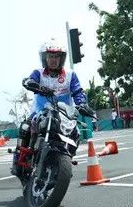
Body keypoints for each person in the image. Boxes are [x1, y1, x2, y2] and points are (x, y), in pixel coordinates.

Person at [12, 39, 89, 175]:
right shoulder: (39, 73)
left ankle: (65, 160)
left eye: (57, 56)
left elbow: (77, 91)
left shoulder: (70, 75)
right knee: (25, 127)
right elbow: (29, 80)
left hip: (64, 115)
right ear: (45, 58)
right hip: (40, 112)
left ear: (62, 58)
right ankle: (18, 159)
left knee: (76, 134)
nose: (53, 60)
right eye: (50, 56)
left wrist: (82, 104)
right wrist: (33, 84)